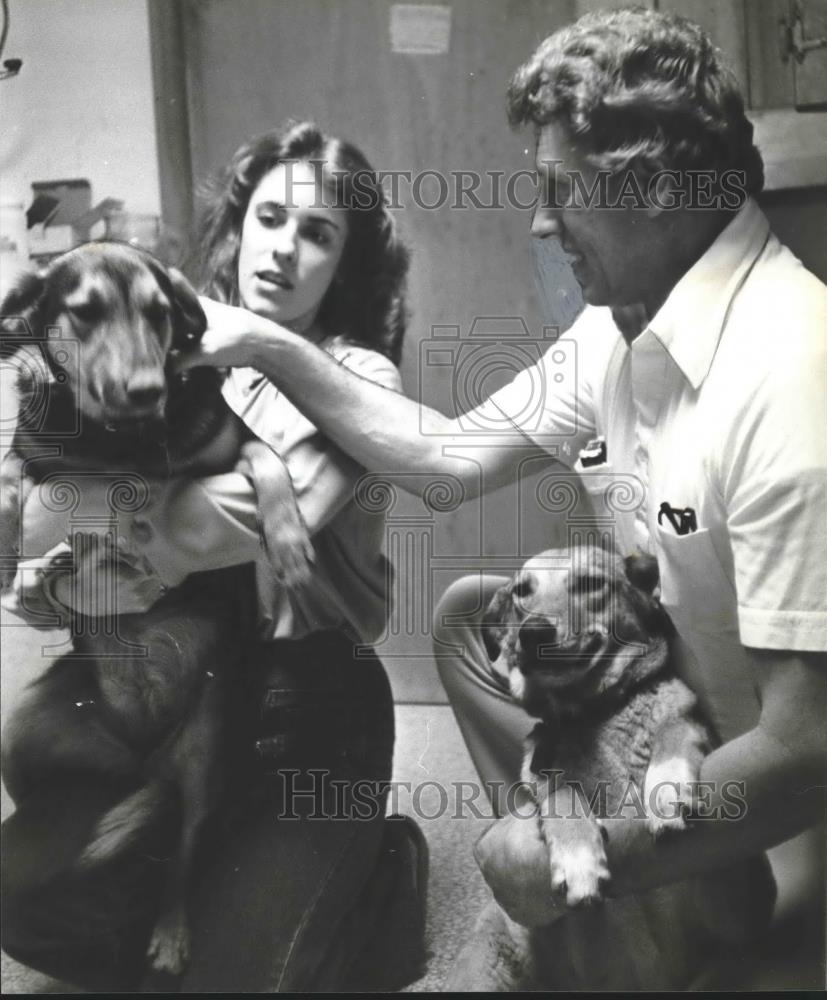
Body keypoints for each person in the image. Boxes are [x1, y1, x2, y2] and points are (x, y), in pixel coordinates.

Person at [174, 8, 826, 985]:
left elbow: (803, 746)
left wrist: (604, 846)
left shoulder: (792, 366)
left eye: (556, 191)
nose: (538, 221)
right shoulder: (619, 327)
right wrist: (265, 342)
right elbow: (442, 457)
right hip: (652, 723)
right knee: (472, 620)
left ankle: (618, 891)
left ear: (648, 187)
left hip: (761, 820)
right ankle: (574, 863)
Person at [2, 120, 427, 992]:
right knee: (22, 900)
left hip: (311, 703)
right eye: (271, 218)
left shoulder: (360, 384)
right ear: (239, 227)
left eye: (318, 234)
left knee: (238, 979)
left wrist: (74, 515)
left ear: (344, 262)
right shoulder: (155, 332)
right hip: (174, 684)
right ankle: (188, 868)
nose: (284, 250)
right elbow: (41, 524)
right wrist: (53, 551)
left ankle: (385, 867)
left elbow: (196, 533)